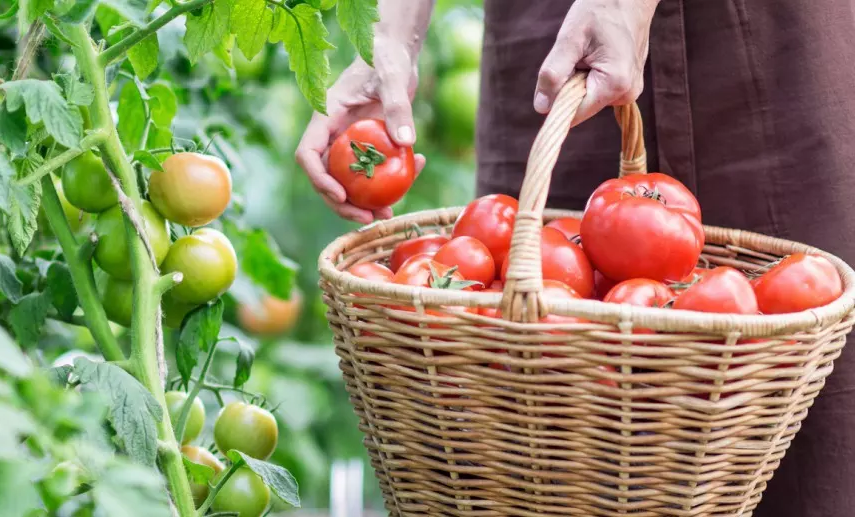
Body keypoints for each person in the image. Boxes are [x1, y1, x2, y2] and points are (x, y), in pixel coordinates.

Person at [296, 1, 855, 515]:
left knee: (799, 440)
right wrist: (390, 37)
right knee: (521, 410)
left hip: (765, 48)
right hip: (552, 39)